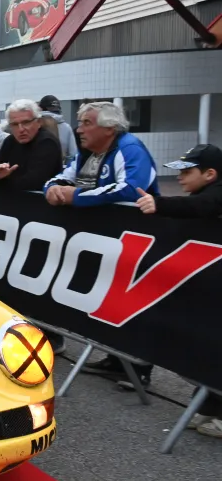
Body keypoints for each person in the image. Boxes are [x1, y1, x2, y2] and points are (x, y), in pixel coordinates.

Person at [46, 101, 159, 385]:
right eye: (81, 122)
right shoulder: (87, 151)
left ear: (109, 128)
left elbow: (133, 188)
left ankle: (139, 369)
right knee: (105, 300)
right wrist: (54, 189)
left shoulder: (129, 147)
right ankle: (115, 358)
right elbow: (61, 176)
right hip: (103, 239)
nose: (79, 129)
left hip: (136, 240)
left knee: (132, 303)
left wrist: (77, 197)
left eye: (87, 123)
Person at [136, 144, 222, 429]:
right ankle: (208, 404)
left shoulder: (214, 195)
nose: (181, 178)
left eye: (187, 172)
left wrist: (159, 204)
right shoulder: (203, 195)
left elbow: (205, 205)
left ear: (210, 174)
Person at [0, 99, 64, 192]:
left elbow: (33, 183)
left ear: (39, 122)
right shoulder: (10, 141)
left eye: (26, 122)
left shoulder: (47, 142)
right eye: (15, 124)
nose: (21, 129)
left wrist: (4, 179)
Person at [38, 95, 78, 164]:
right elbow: (73, 154)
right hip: (59, 168)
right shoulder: (67, 127)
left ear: (40, 108)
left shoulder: (35, 123)